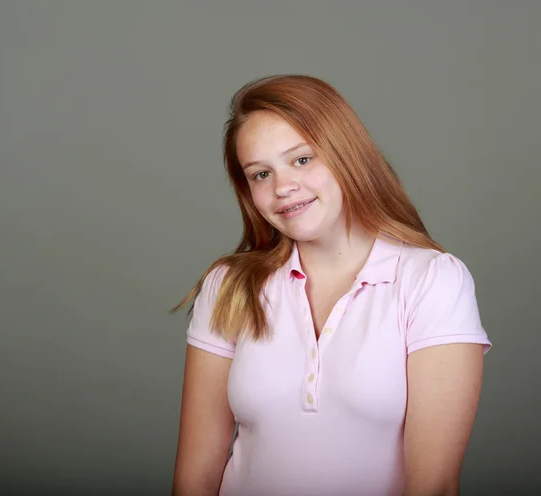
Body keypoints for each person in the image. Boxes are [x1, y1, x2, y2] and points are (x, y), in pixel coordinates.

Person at [170, 74, 492, 496]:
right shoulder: (228, 286)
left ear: (347, 155)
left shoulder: (432, 280)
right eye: (261, 173)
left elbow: (434, 485)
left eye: (302, 160)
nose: (283, 187)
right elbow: (194, 477)